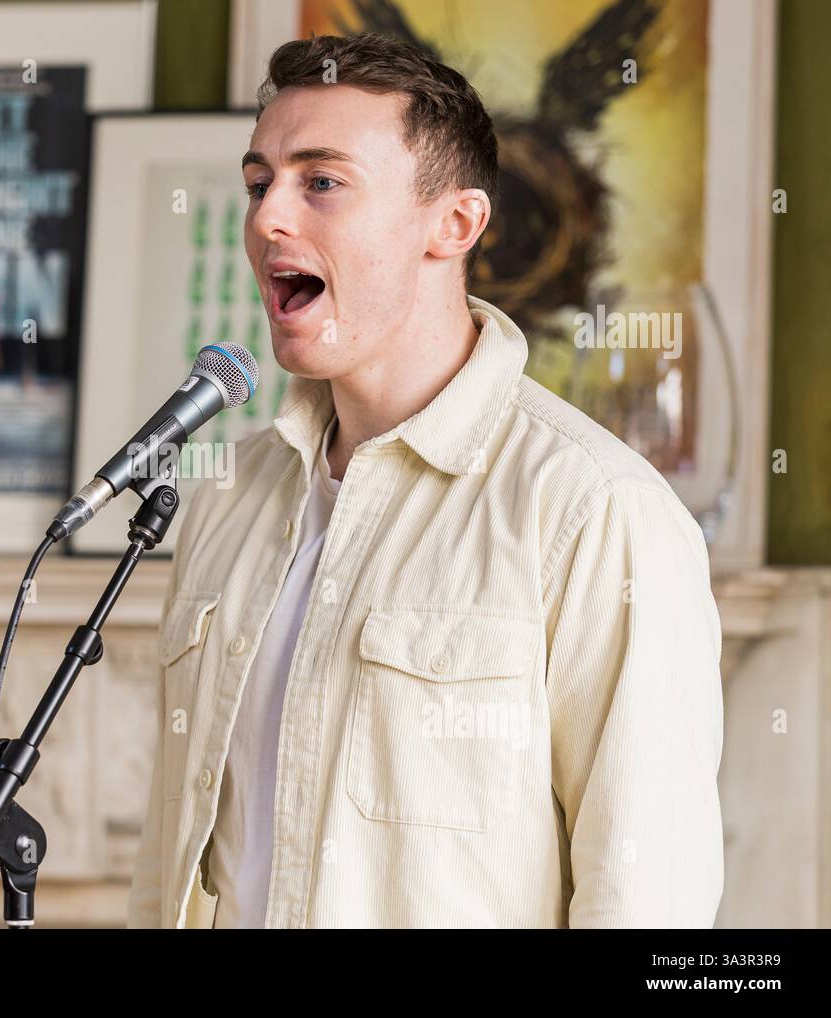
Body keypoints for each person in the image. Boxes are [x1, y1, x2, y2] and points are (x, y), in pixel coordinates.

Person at [128, 33, 724, 929]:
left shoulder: (599, 512)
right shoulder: (227, 494)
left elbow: (649, 905)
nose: (265, 220)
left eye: (321, 181)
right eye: (260, 183)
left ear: (456, 224)